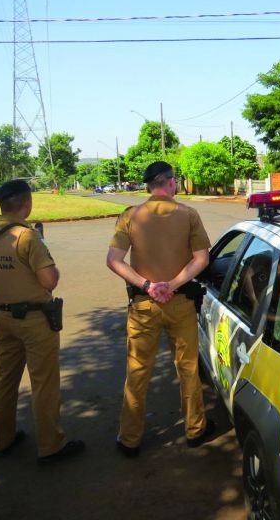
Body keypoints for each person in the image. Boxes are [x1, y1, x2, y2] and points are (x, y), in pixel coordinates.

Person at [0, 179, 84, 464]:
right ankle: (51, 445)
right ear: (26, 203)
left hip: (1, 316)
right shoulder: (27, 237)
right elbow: (50, 281)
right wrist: (43, 248)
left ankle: (3, 439)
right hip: (34, 320)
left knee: (5, 379)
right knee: (44, 382)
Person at [106, 161, 214, 457]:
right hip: (179, 303)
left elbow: (114, 260)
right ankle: (195, 430)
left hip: (144, 306)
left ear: (148, 185)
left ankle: (130, 439)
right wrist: (173, 284)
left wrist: (148, 286)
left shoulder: (130, 216)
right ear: (170, 182)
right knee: (188, 368)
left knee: (137, 371)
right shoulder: (188, 215)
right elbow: (201, 259)